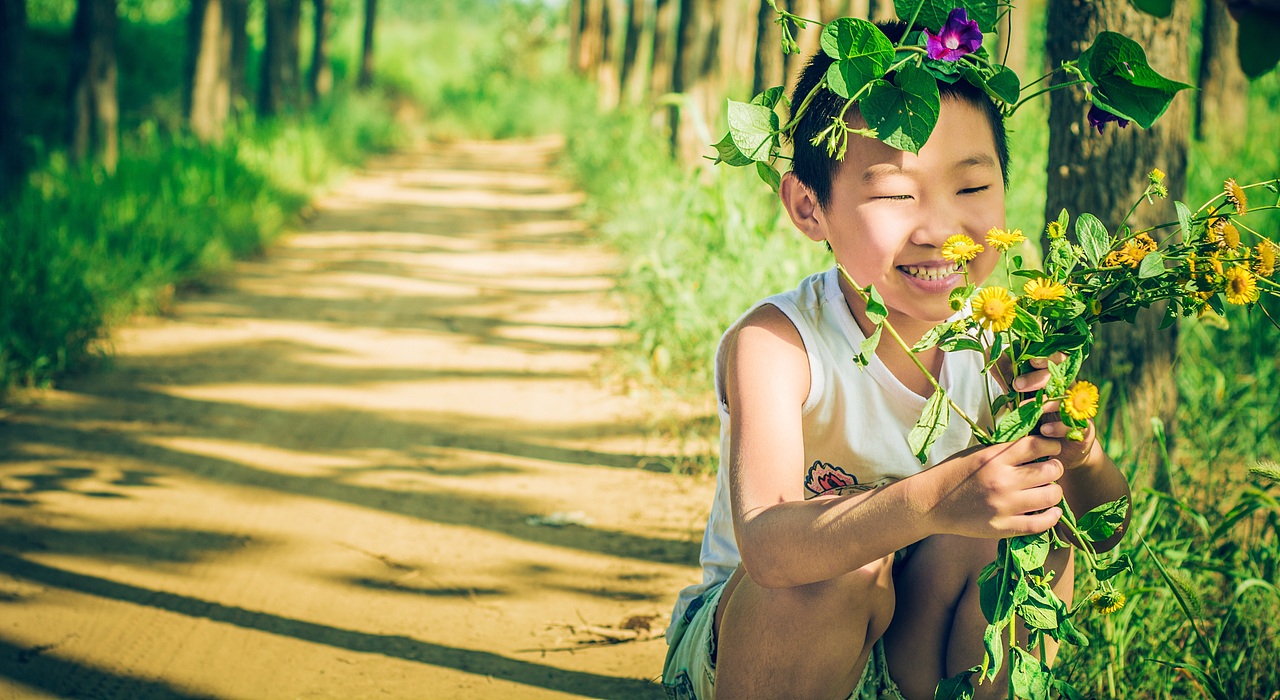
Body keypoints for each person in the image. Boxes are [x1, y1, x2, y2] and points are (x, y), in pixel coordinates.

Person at [660, 27, 1132, 700]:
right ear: (808, 206)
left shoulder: (1007, 345)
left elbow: (1101, 535)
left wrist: (1079, 456)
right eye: (895, 194)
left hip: (917, 647)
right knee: (835, 568)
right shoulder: (779, 344)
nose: (940, 230)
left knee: (1030, 525)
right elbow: (768, 548)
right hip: (766, 646)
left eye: (972, 187)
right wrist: (936, 500)